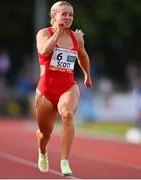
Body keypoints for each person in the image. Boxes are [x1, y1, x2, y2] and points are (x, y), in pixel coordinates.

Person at [35, 1, 92, 176]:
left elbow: (83, 56)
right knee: (45, 134)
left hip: (68, 87)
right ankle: (43, 152)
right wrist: (58, 33)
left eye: (71, 15)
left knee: (67, 115)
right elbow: (44, 51)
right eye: (64, 14)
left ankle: (64, 162)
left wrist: (87, 75)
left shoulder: (77, 38)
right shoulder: (44, 33)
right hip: (45, 90)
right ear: (54, 17)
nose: (68, 18)